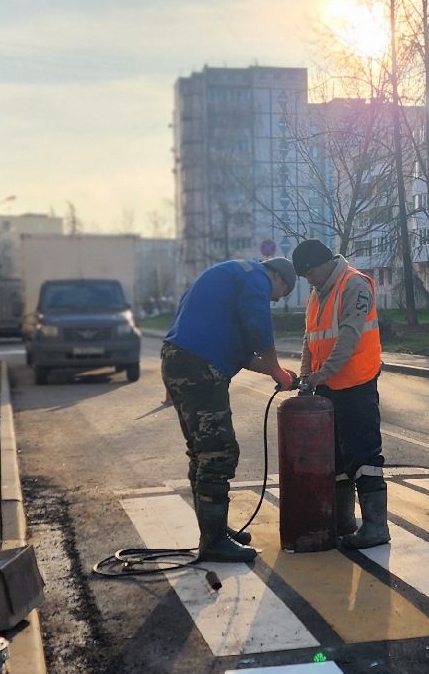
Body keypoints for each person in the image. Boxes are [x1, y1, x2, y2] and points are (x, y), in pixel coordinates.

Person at [161, 257, 298, 563]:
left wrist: (276, 372)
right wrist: (275, 367)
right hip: (200, 368)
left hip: (180, 360)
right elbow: (258, 325)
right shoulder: (255, 277)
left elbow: (240, 353)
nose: (276, 299)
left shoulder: (227, 278)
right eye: (282, 291)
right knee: (218, 452)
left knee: (201, 452)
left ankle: (215, 530)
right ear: (275, 275)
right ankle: (213, 542)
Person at [290, 238, 388, 550]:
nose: (309, 280)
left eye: (310, 274)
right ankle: (343, 522)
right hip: (328, 388)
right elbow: (310, 338)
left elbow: (348, 336)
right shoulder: (317, 294)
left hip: (357, 385)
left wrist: (321, 374)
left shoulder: (354, 285)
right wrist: (306, 374)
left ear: (324, 263)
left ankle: (376, 527)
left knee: (363, 455)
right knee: (335, 458)